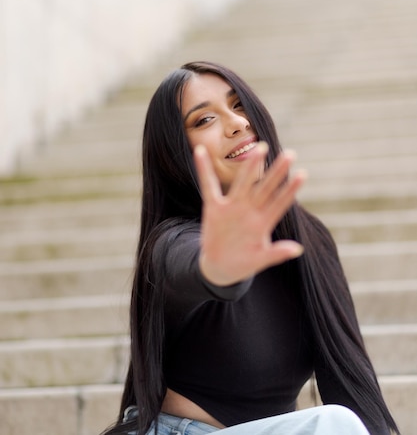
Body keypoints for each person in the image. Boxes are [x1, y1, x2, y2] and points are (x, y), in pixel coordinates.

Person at [102, 61, 399, 435]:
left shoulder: (311, 241)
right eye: (204, 120)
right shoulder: (169, 245)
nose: (237, 123)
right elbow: (191, 269)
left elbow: (353, 391)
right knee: (333, 425)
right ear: (175, 154)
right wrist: (222, 269)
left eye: (239, 104)